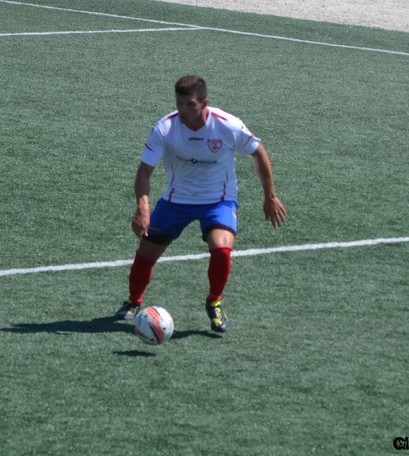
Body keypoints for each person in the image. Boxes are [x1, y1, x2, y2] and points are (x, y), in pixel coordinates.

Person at [114, 75, 287, 333]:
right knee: (146, 254)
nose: (182, 110)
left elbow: (258, 152)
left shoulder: (227, 125)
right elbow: (144, 172)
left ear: (205, 103)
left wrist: (270, 196)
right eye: (179, 103)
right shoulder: (166, 127)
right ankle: (133, 301)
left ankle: (214, 302)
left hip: (218, 201)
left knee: (221, 248)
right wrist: (143, 207)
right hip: (176, 200)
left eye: (190, 104)